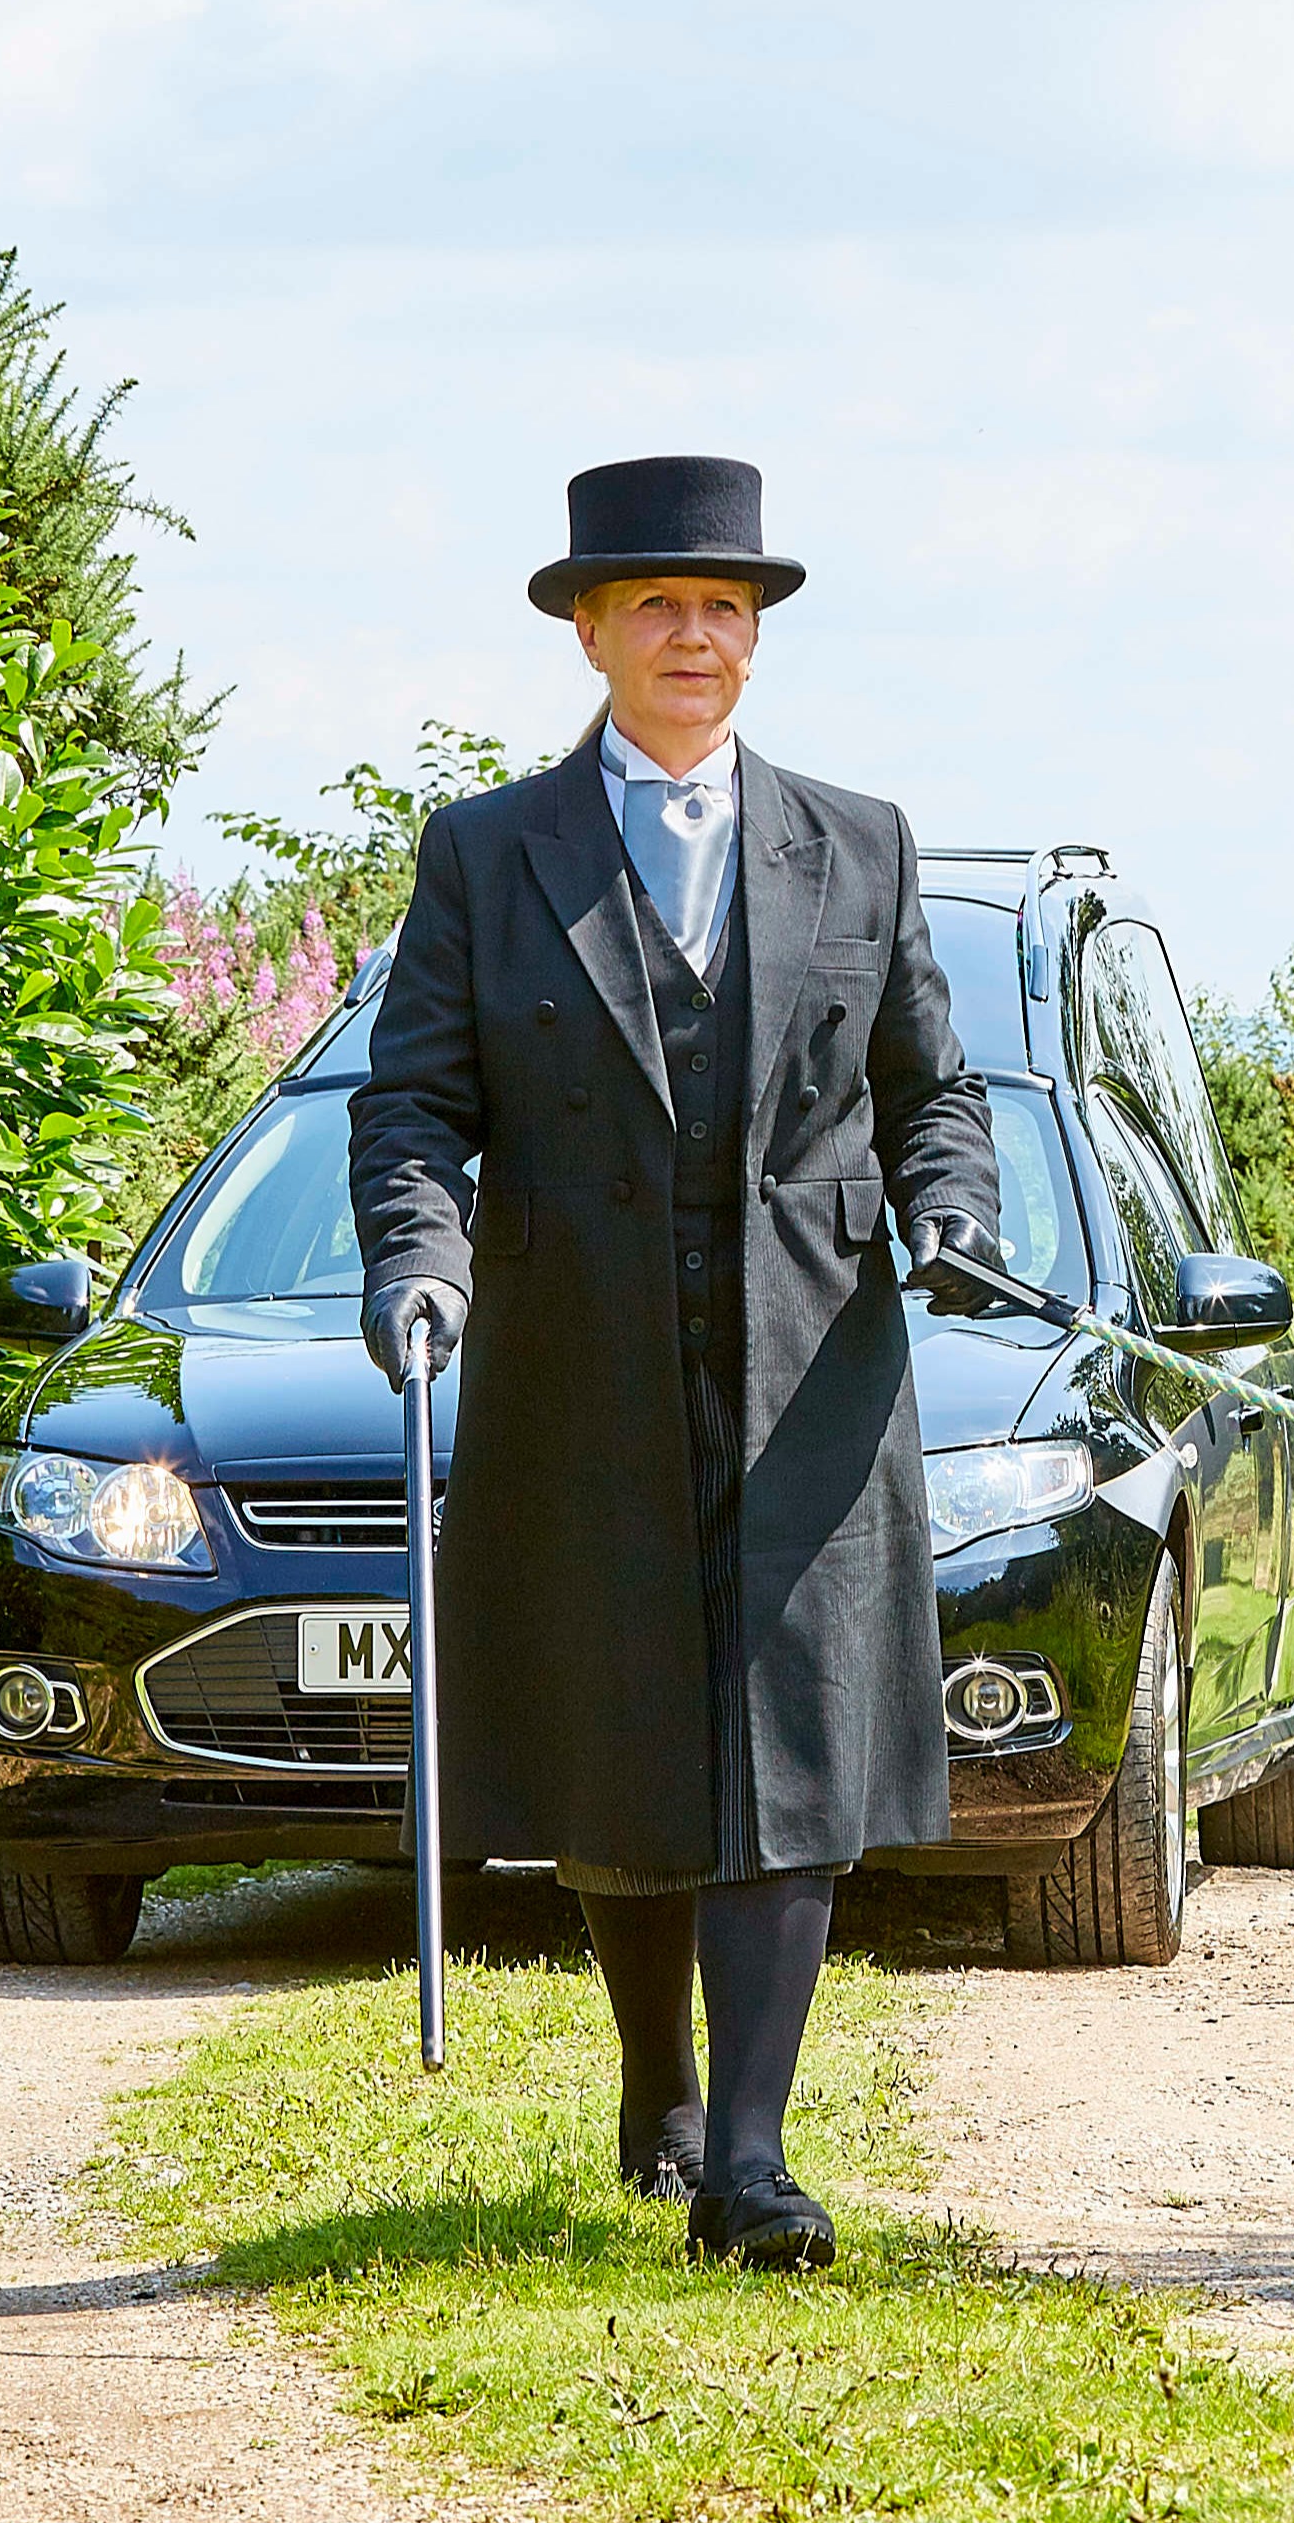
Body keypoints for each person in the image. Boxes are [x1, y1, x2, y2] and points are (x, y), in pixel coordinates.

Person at [348, 454, 1008, 2272]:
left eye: (725, 607)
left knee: (785, 1739)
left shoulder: (858, 840)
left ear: (757, 636)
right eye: (657, 605)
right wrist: (417, 1264)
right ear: (588, 631)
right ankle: (657, 2082)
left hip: (812, 1354)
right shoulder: (487, 850)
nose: (695, 636)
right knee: (619, 1727)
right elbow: (414, 1101)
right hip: (578, 1354)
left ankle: (753, 2158)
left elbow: (928, 1089)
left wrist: (950, 1207)